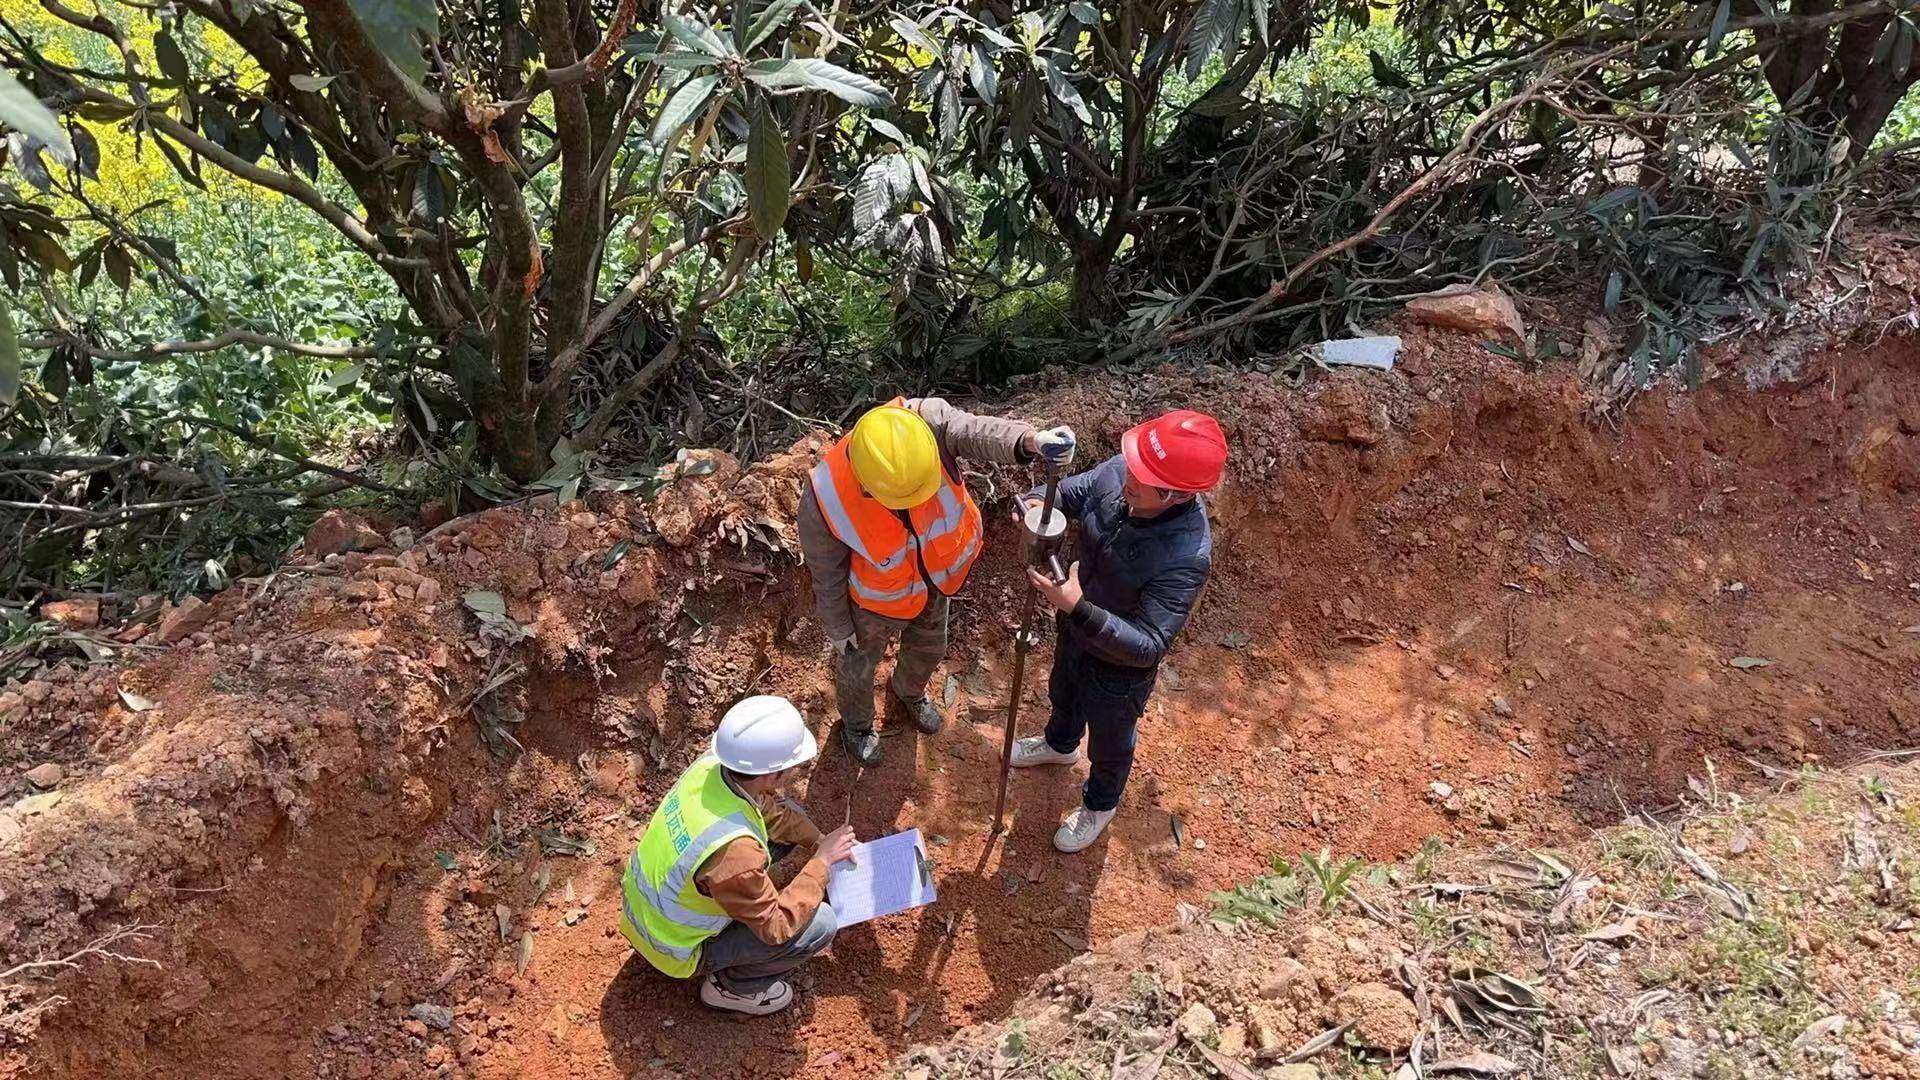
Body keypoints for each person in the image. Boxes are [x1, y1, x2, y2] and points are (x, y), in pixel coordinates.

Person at [800, 397, 1076, 765]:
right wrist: (837, 625)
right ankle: (858, 726)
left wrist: (1031, 440)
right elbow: (826, 572)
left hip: (935, 579)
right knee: (857, 667)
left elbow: (975, 430)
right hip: (875, 601)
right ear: (867, 486)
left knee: (930, 646)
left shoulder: (923, 424)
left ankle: (908, 693)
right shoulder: (825, 495)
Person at [1009, 410, 1227, 853]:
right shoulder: (1123, 471)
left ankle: (1100, 803)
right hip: (1075, 628)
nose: (1129, 475)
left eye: (1143, 476)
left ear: (1174, 493)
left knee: (1110, 742)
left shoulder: (1185, 555)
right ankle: (1058, 744)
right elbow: (1074, 492)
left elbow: (1148, 644)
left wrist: (1078, 607)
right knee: (1064, 691)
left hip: (1118, 669)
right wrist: (1036, 502)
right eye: (1134, 464)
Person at [618, 695, 857, 1015]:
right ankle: (733, 990)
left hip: (647, 911)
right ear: (773, 775)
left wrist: (818, 840)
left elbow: (770, 814)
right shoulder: (736, 855)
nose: (795, 771)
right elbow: (776, 927)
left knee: (791, 820)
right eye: (793, 766)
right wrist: (821, 864)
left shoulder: (709, 767)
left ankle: (748, 905)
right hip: (674, 947)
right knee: (821, 924)